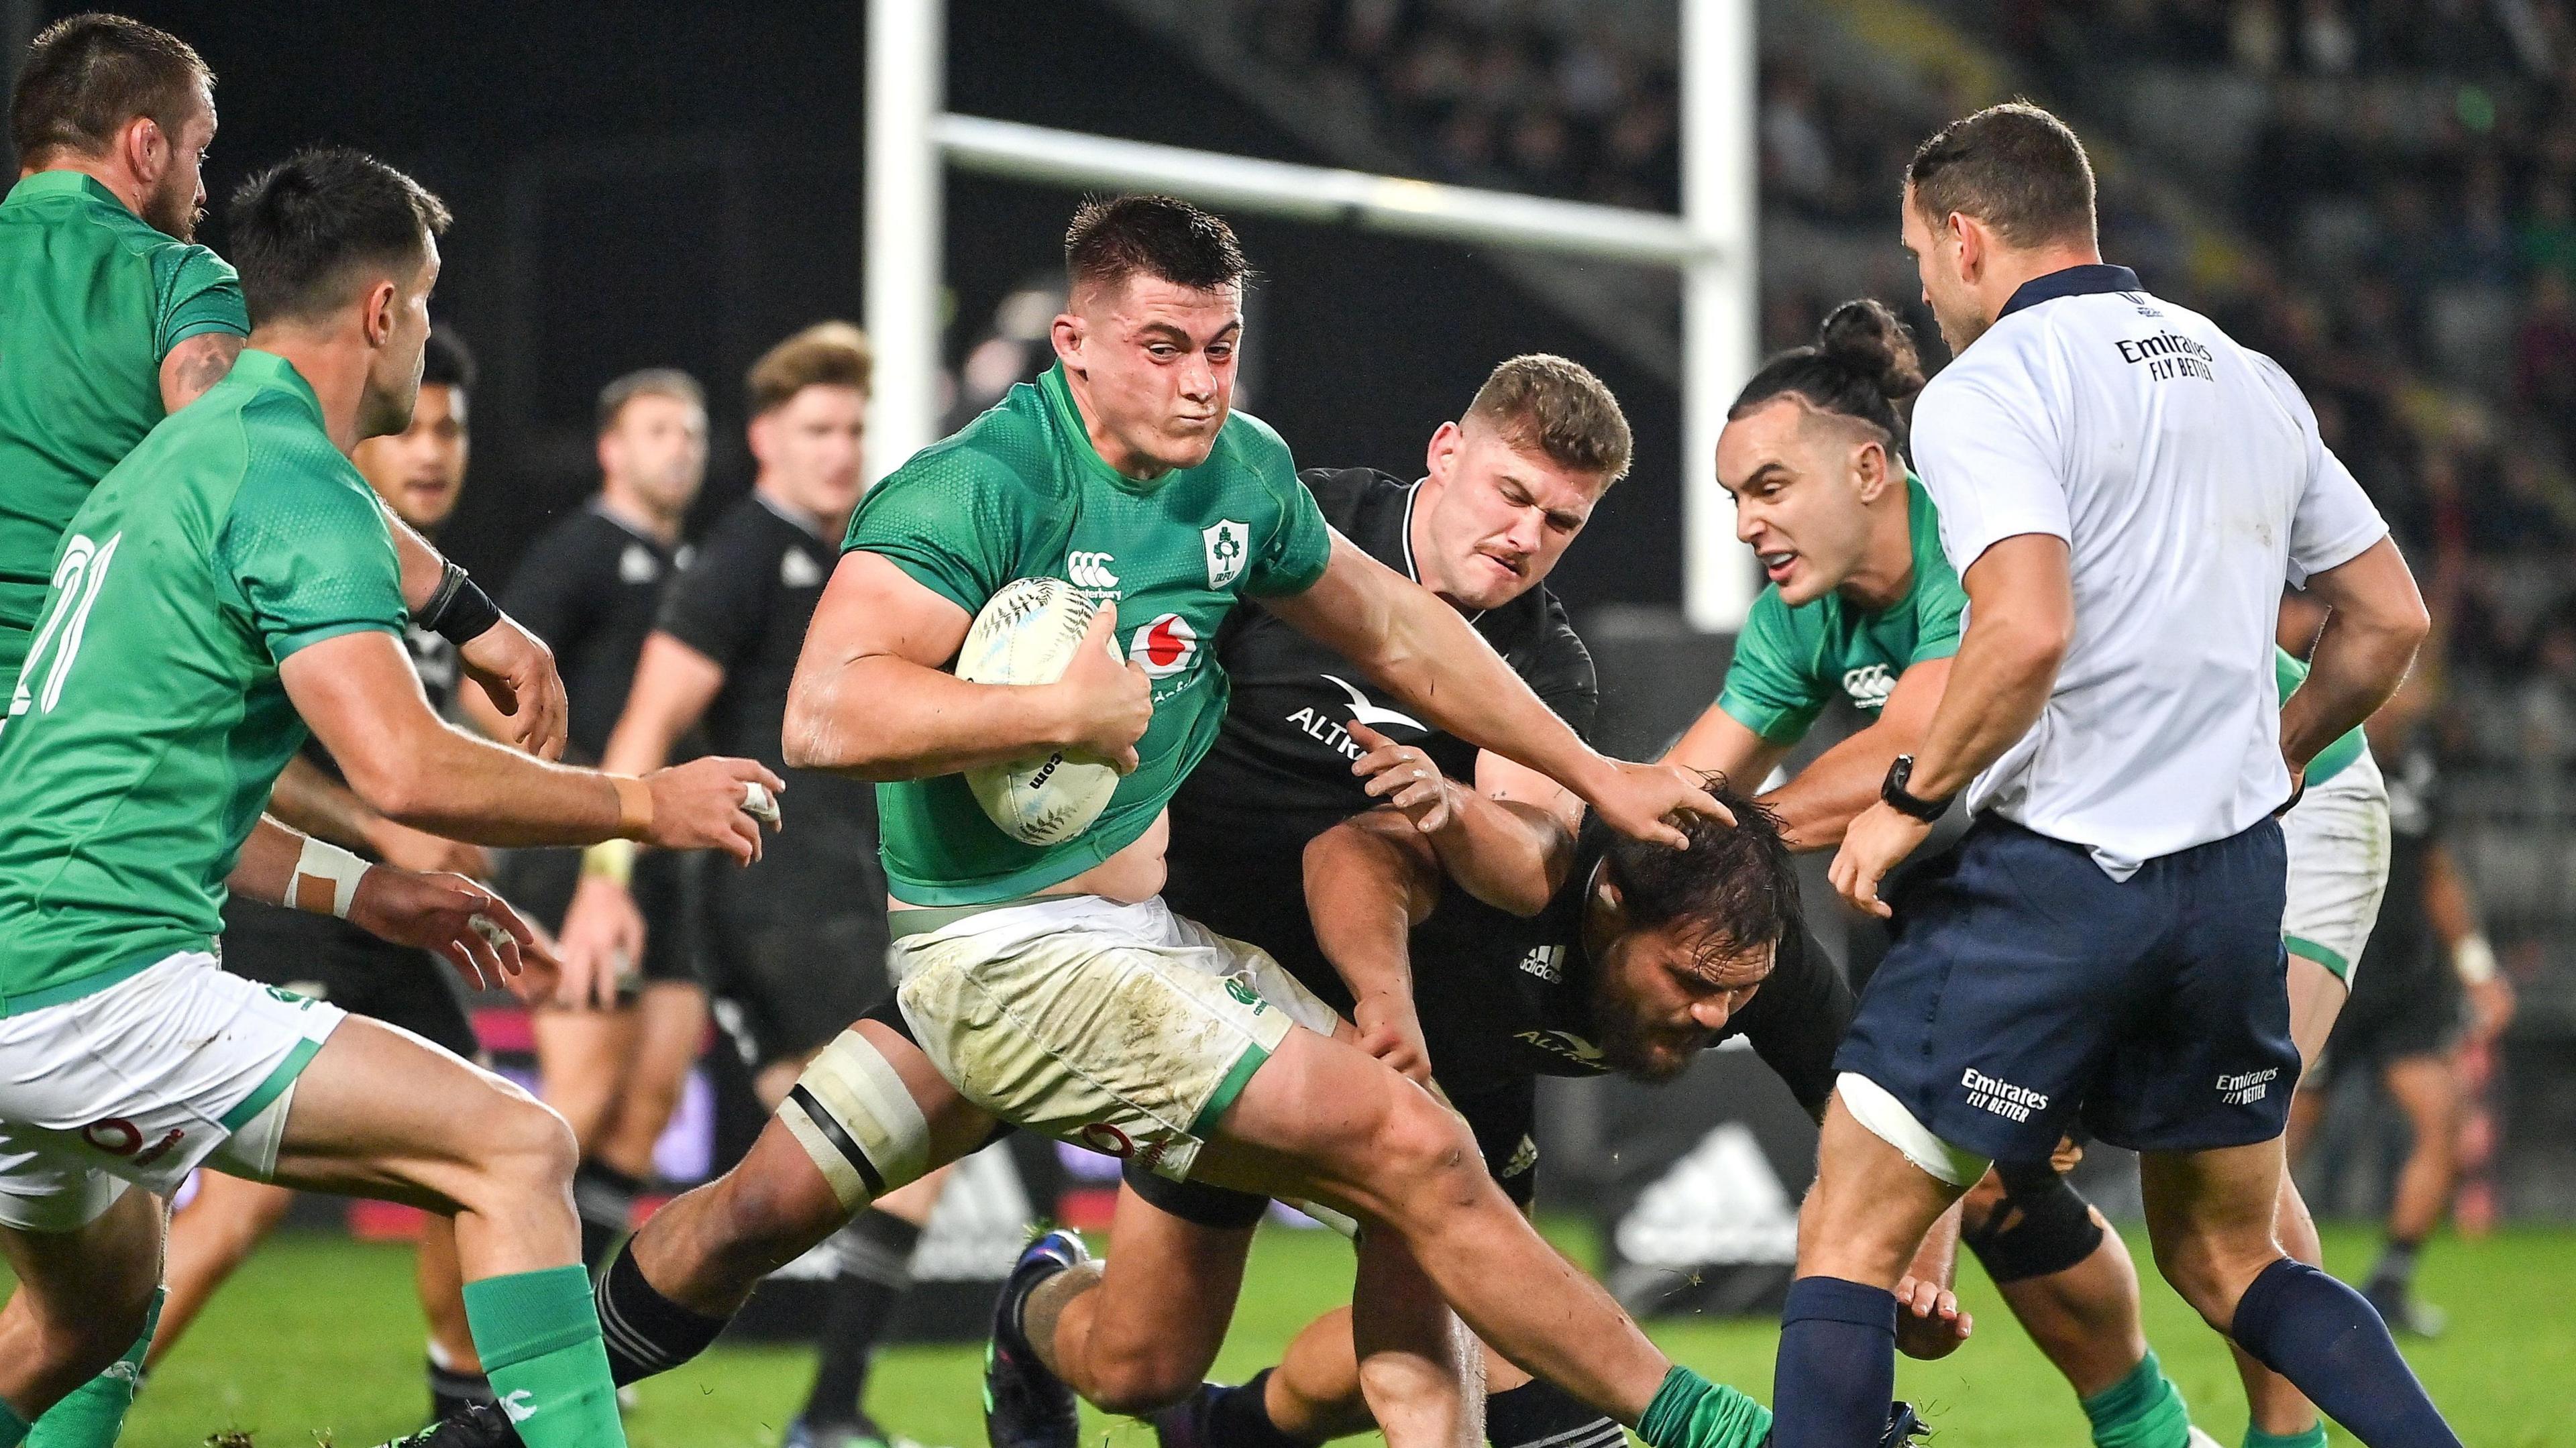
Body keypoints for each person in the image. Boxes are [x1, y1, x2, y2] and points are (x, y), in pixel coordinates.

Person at [545, 193, 1775, 1448]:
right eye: (1165, 348)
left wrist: (1593, 773)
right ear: (1074, 342)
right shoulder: (978, 486)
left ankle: (517, 1413)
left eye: (1221, 346)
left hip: (1177, 963)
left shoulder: (1250, 478)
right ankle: (1706, 1422)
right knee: (1420, 1157)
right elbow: (824, 714)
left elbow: (1406, 636)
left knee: (1053, 1313)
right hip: (1028, 951)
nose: (1200, 383)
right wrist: (1052, 717)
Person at [0, 147, 779, 1448]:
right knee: (518, 1146)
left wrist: (369, 887)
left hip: (27, 973)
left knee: (90, 1311)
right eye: (423, 305)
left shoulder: (170, 463)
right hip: (99, 989)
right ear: (382, 311)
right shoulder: (288, 477)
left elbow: (173, 797)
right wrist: (645, 802)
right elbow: (405, 764)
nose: (426, 340)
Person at [1770, 103, 2453, 1447]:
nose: (1921, 282)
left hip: (2060, 879)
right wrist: (2282, 748)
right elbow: (2388, 619)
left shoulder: (1990, 388)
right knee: (2236, 1254)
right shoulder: (2245, 372)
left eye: (1920, 254)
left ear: (1966, 238)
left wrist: (1905, 805)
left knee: (1849, 1226)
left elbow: (2023, 626)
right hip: (2228, 888)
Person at [1664, 298, 2390, 1448]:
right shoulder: (1799, 621)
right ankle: (2153, 1433)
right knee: (2001, 1180)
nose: (1748, 521)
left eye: (1766, 486)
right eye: (1734, 498)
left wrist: (1740, 833)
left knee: (2223, 1186)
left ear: (1868, 467)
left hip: (2285, 793)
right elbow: (1684, 785)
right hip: (2106, 852)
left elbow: (1917, 745)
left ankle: (2284, 1439)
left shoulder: (1972, 530)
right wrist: (1581, 821)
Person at [557, 321, 942, 1448]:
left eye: (856, 429)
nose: (841, 448)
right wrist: (603, 875)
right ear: (768, 436)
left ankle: (581, 1362)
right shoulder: (742, 551)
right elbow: (643, 725)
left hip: (833, 897)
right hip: (771, 901)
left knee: (798, 1179)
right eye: (818, 427)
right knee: (899, 1152)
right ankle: (825, 1412)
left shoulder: (854, 560)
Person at [0, 13, 566, 765]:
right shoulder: (173, 276)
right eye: (199, 152)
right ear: (145, 146)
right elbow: (256, 462)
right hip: (68, 720)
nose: (202, 186)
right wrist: (463, 610)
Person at [148, 329, 506, 1426]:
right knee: (242, 1216)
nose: (435, 449)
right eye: (417, 426)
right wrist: (381, 828)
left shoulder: (429, 589)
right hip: (283, 912)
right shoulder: (306, 546)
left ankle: (463, 1406)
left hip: (383, 931)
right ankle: (62, 1385)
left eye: (455, 427)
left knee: (478, 1159)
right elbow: (256, 750)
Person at [489, 368, 715, 1272]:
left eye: (693, 431)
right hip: (589, 851)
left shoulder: (689, 565)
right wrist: (564, 802)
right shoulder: (583, 548)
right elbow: (495, 692)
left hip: (667, 860)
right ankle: (485, 1346)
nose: (681, 446)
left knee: (650, 1098)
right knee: (575, 1102)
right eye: (659, 429)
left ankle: (571, 1316)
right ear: (611, 450)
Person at [2291, 670, 2514, 1339]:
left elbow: (2438, 871)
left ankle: (2390, 1278)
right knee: (2278, 1133)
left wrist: (2477, 967)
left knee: (2440, 1115)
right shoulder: (2306, 739)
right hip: (2321, 966)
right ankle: (2249, 1262)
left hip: (2405, 981)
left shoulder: (2418, 764)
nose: (2406, 695)